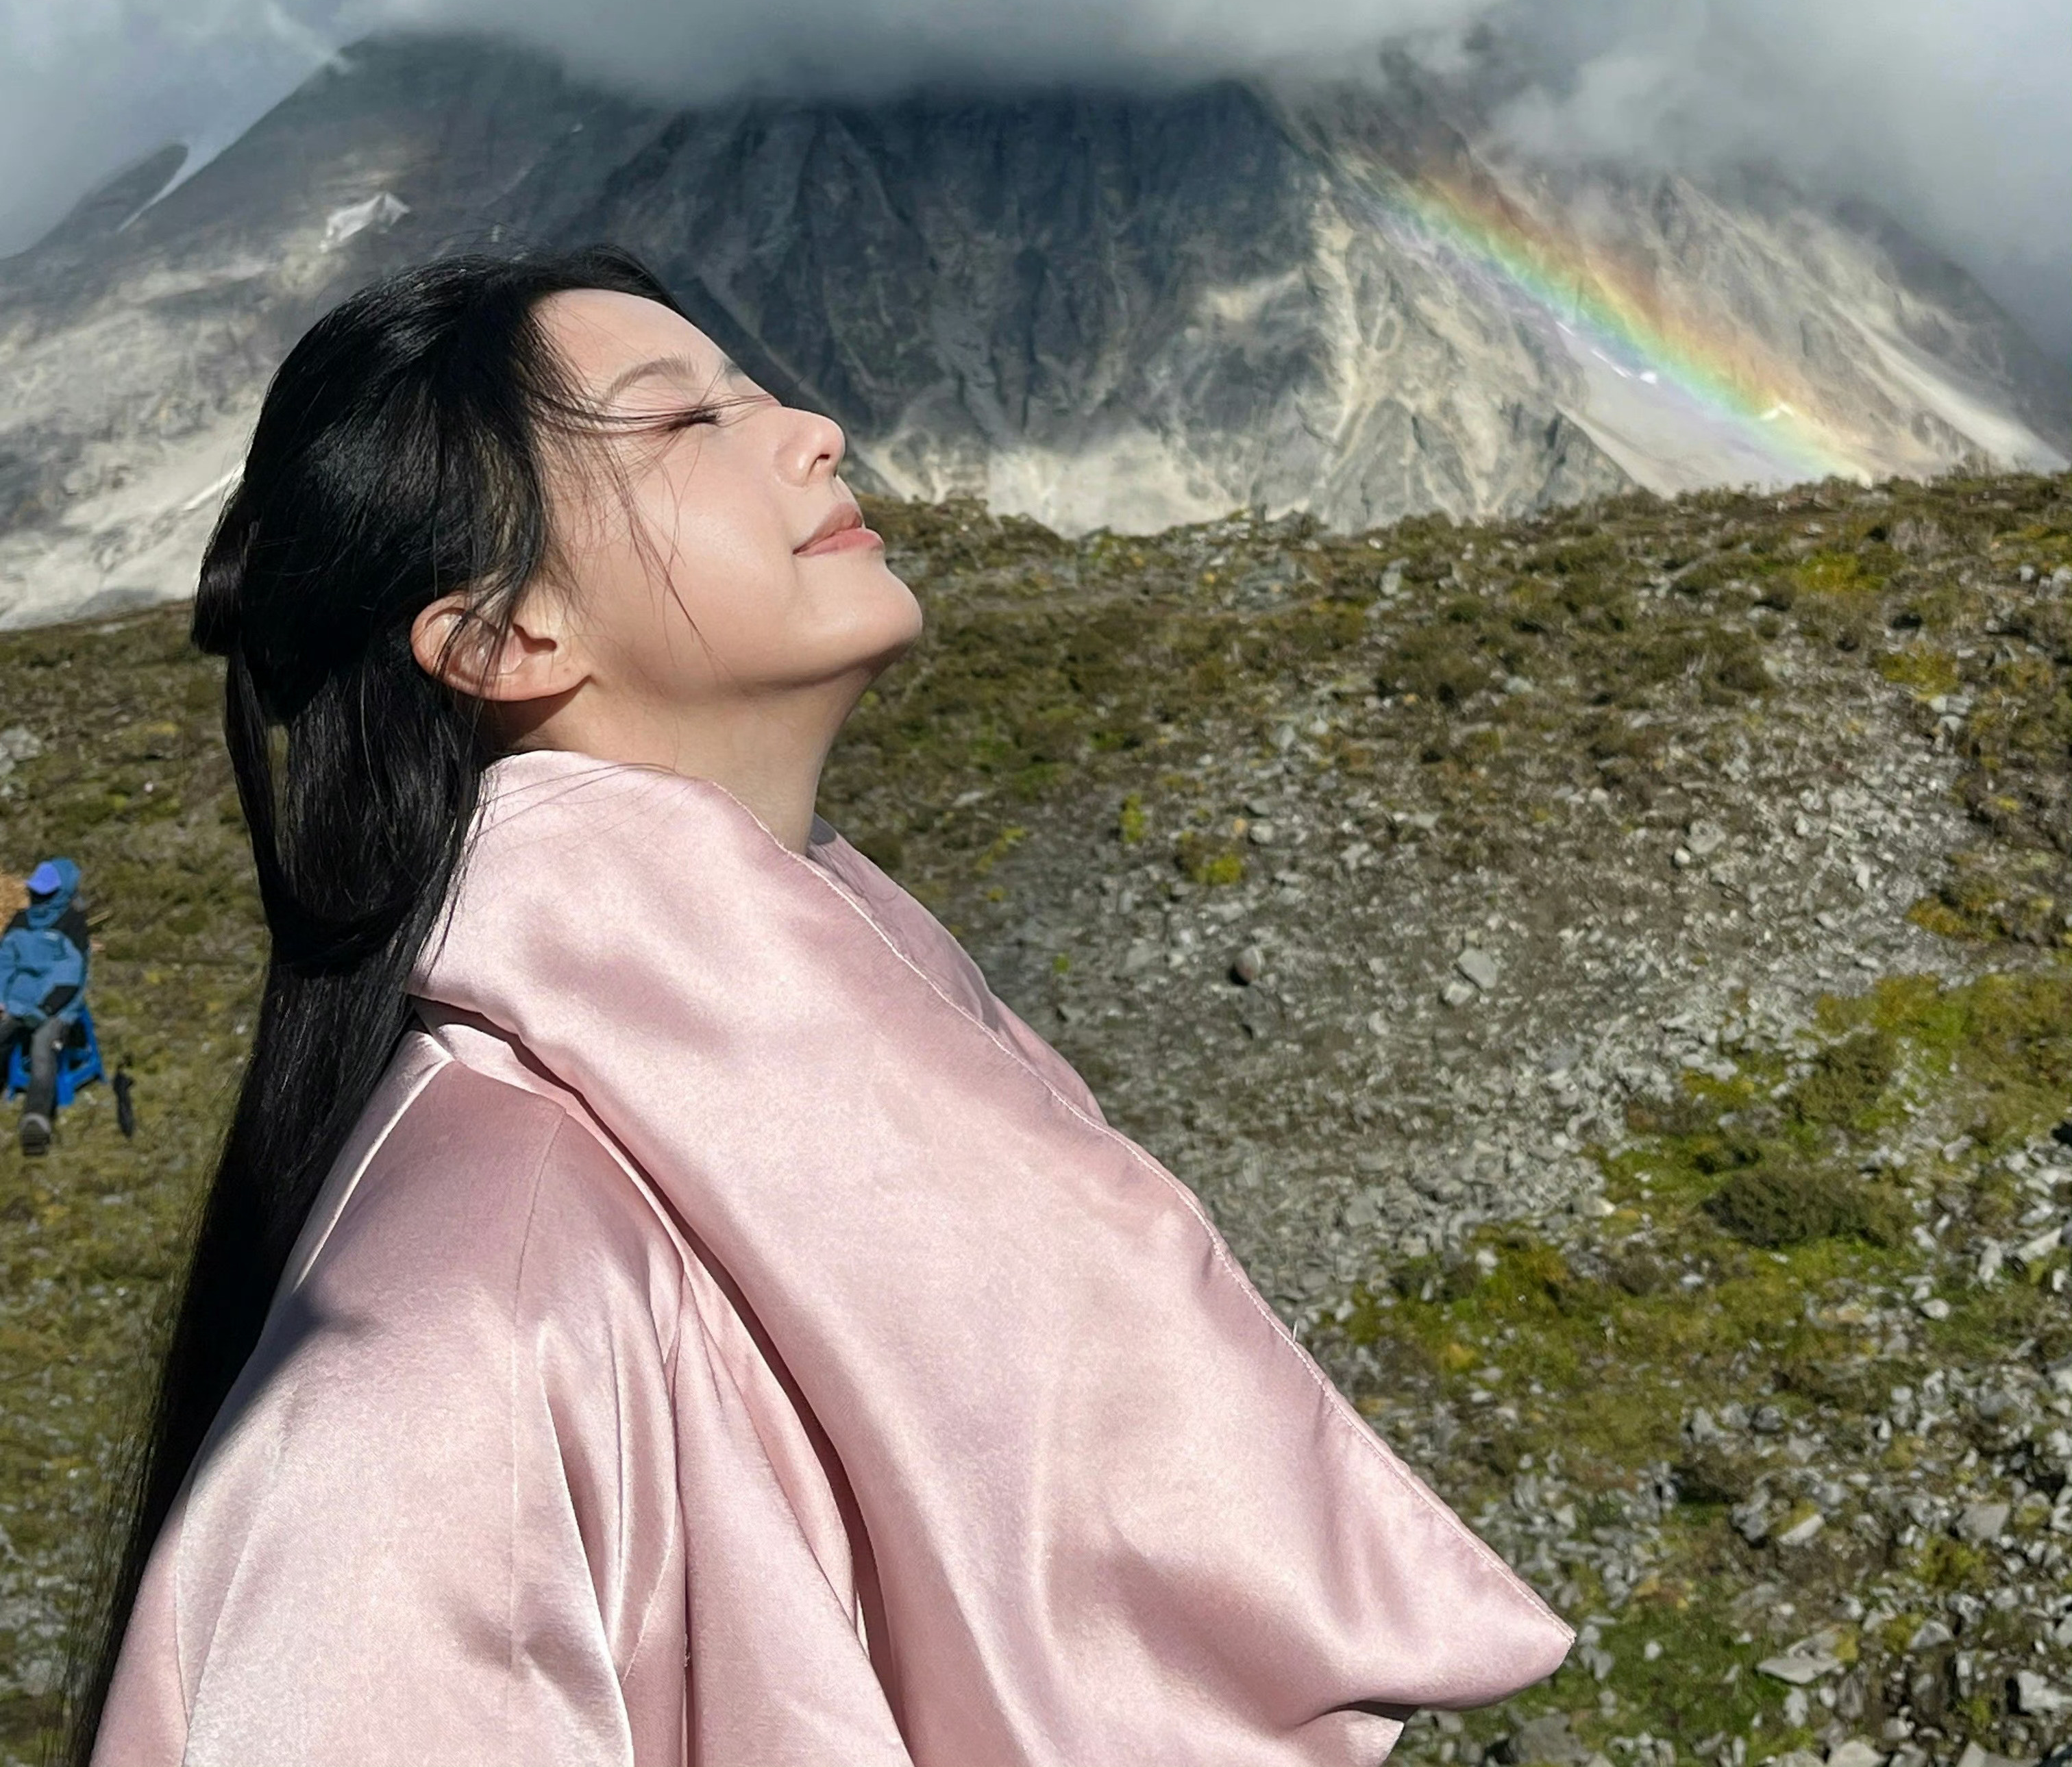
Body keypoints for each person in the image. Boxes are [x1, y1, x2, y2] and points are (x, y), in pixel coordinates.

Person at [79, 249, 1569, 1766]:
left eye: (757, 389)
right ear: (502, 637)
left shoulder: (873, 1057)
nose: (811, 428)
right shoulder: (461, 1319)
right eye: (683, 423)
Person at [0, 856, 90, 1155]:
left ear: (62, 892)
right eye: (36, 891)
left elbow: (70, 977)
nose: (39, 897)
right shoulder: (20, 921)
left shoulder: (73, 924)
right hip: (18, 1000)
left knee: (42, 1050)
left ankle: (35, 1119)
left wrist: (48, 1009)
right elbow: (5, 962)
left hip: (57, 1006)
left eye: (46, 892)